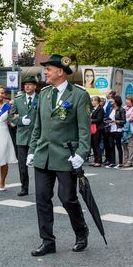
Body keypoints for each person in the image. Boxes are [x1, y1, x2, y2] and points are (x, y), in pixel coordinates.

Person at [27, 54, 91, 256]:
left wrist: (82, 153)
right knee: (42, 199)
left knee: (67, 198)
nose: (45, 72)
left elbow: (84, 129)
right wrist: (31, 150)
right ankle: (47, 241)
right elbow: (38, 126)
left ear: (60, 72)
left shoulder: (78, 95)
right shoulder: (44, 94)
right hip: (43, 155)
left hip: (66, 156)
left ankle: (81, 231)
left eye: (48, 69)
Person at [8, 75, 38, 196]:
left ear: (35, 86)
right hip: (22, 137)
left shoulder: (41, 99)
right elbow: (10, 117)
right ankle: (24, 187)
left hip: (37, 136)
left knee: (39, 164)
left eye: (30, 84)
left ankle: (42, 188)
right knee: (22, 165)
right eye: (25, 84)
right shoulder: (18, 100)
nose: (27, 86)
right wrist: (20, 120)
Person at [105, 95, 126, 169]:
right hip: (111, 129)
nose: (111, 101)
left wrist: (115, 121)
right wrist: (107, 120)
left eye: (112, 100)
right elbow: (109, 117)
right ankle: (112, 162)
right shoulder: (111, 108)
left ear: (116, 101)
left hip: (118, 129)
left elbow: (124, 121)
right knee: (111, 146)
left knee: (118, 146)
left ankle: (120, 163)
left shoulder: (121, 109)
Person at [122, 95, 133, 167]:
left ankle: (130, 160)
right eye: (126, 100)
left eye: (128, 100)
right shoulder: (124, 108)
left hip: (131, 129)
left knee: (130, 145)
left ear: (132, 101)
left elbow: (131, 118)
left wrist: (124, 119)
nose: (126, 101)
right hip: (124, 128)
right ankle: (125, 159)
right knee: (124, 144)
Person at [90, 96, 104, 167]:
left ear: (97, 101)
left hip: (98, 129)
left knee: (96, 144)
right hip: (92, 129)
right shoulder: (93, 109)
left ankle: (99, 160)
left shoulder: (100, 109)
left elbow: (99, 119)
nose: (92, 102)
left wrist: (91, 120)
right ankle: (95, 160)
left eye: (93, 101)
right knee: (93, 144)